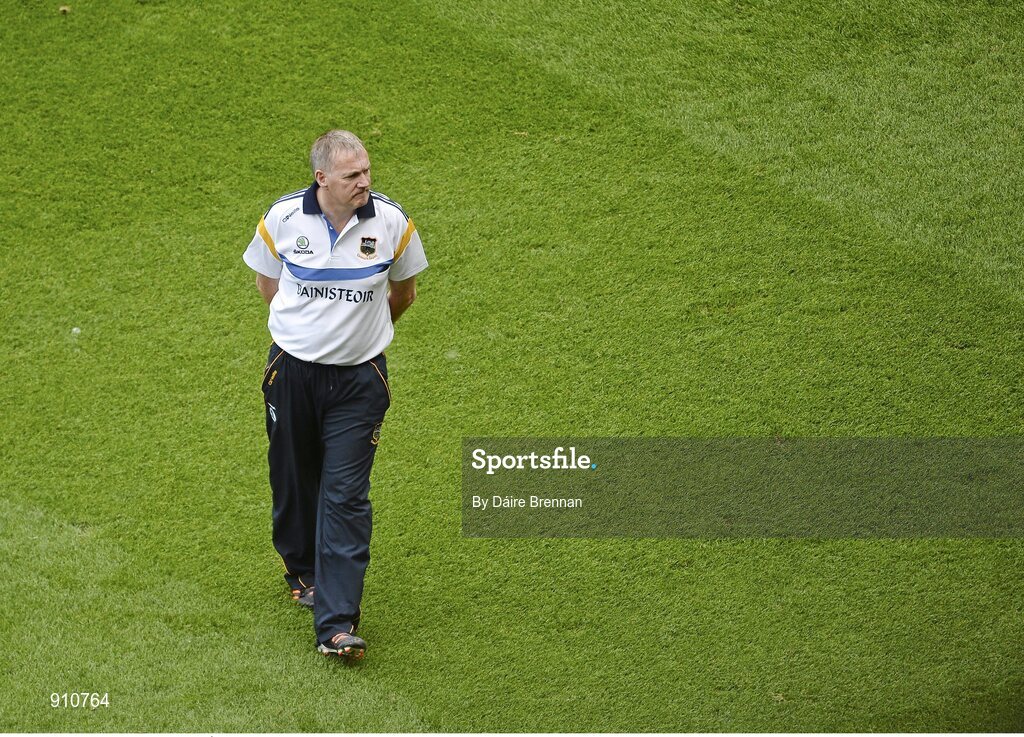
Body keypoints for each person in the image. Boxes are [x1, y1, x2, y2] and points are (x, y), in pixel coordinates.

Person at [242, 130, 427, 659]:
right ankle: (301, 569)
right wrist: (308, 336)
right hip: (292, 373)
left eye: (367, 171)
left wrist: (358, 342)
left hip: (359, 382)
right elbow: (268, 286)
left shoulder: (392, 222)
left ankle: (337, 623)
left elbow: (404, 293)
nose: (364, 182)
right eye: (352, 175)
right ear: (322, 178)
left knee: (346, 495)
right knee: (294, 475)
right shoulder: (282, 218)